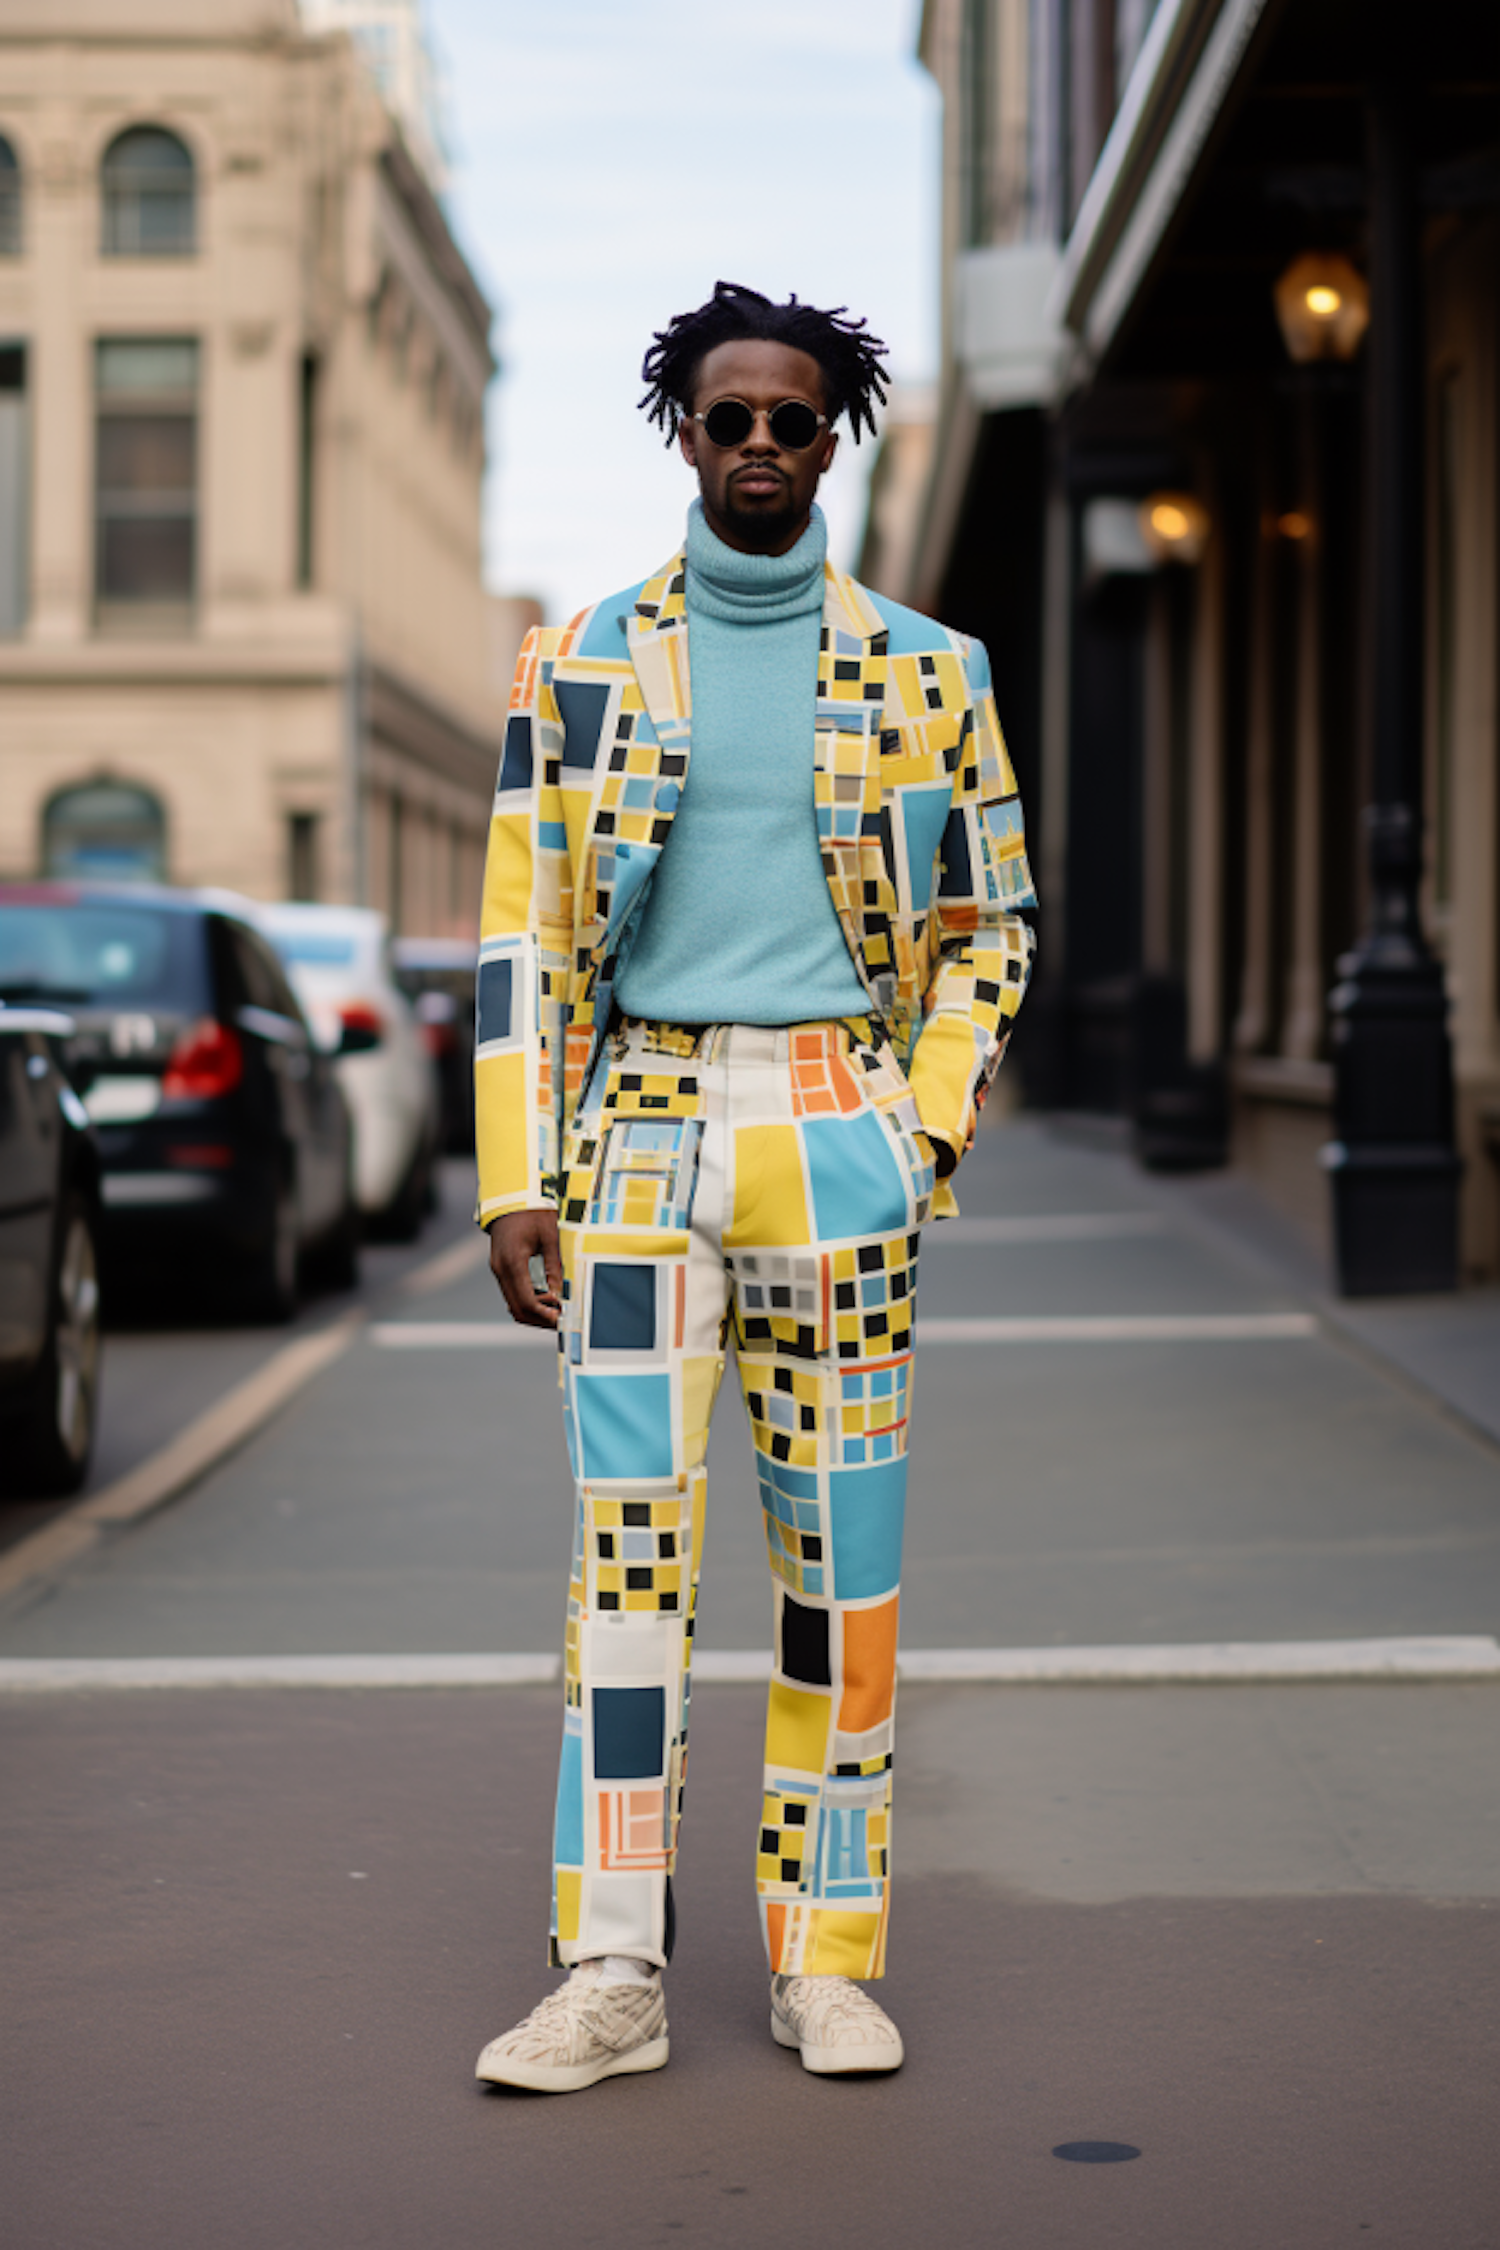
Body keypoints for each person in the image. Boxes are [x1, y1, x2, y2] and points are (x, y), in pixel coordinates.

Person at [472, 281, 1035, 2093]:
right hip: (635, 1130)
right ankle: (613, 1963)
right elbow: (525, 937)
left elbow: (989, 931)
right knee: (622, 1565)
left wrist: (922, 1129)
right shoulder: (576, 664)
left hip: (838, 1135)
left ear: (835, 433)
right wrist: (514, 1177)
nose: (767, 447)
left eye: (799, 419)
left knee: (837, 1572)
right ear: (685, 433)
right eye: (734, 419)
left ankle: (827, 1953)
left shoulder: (933, 672)